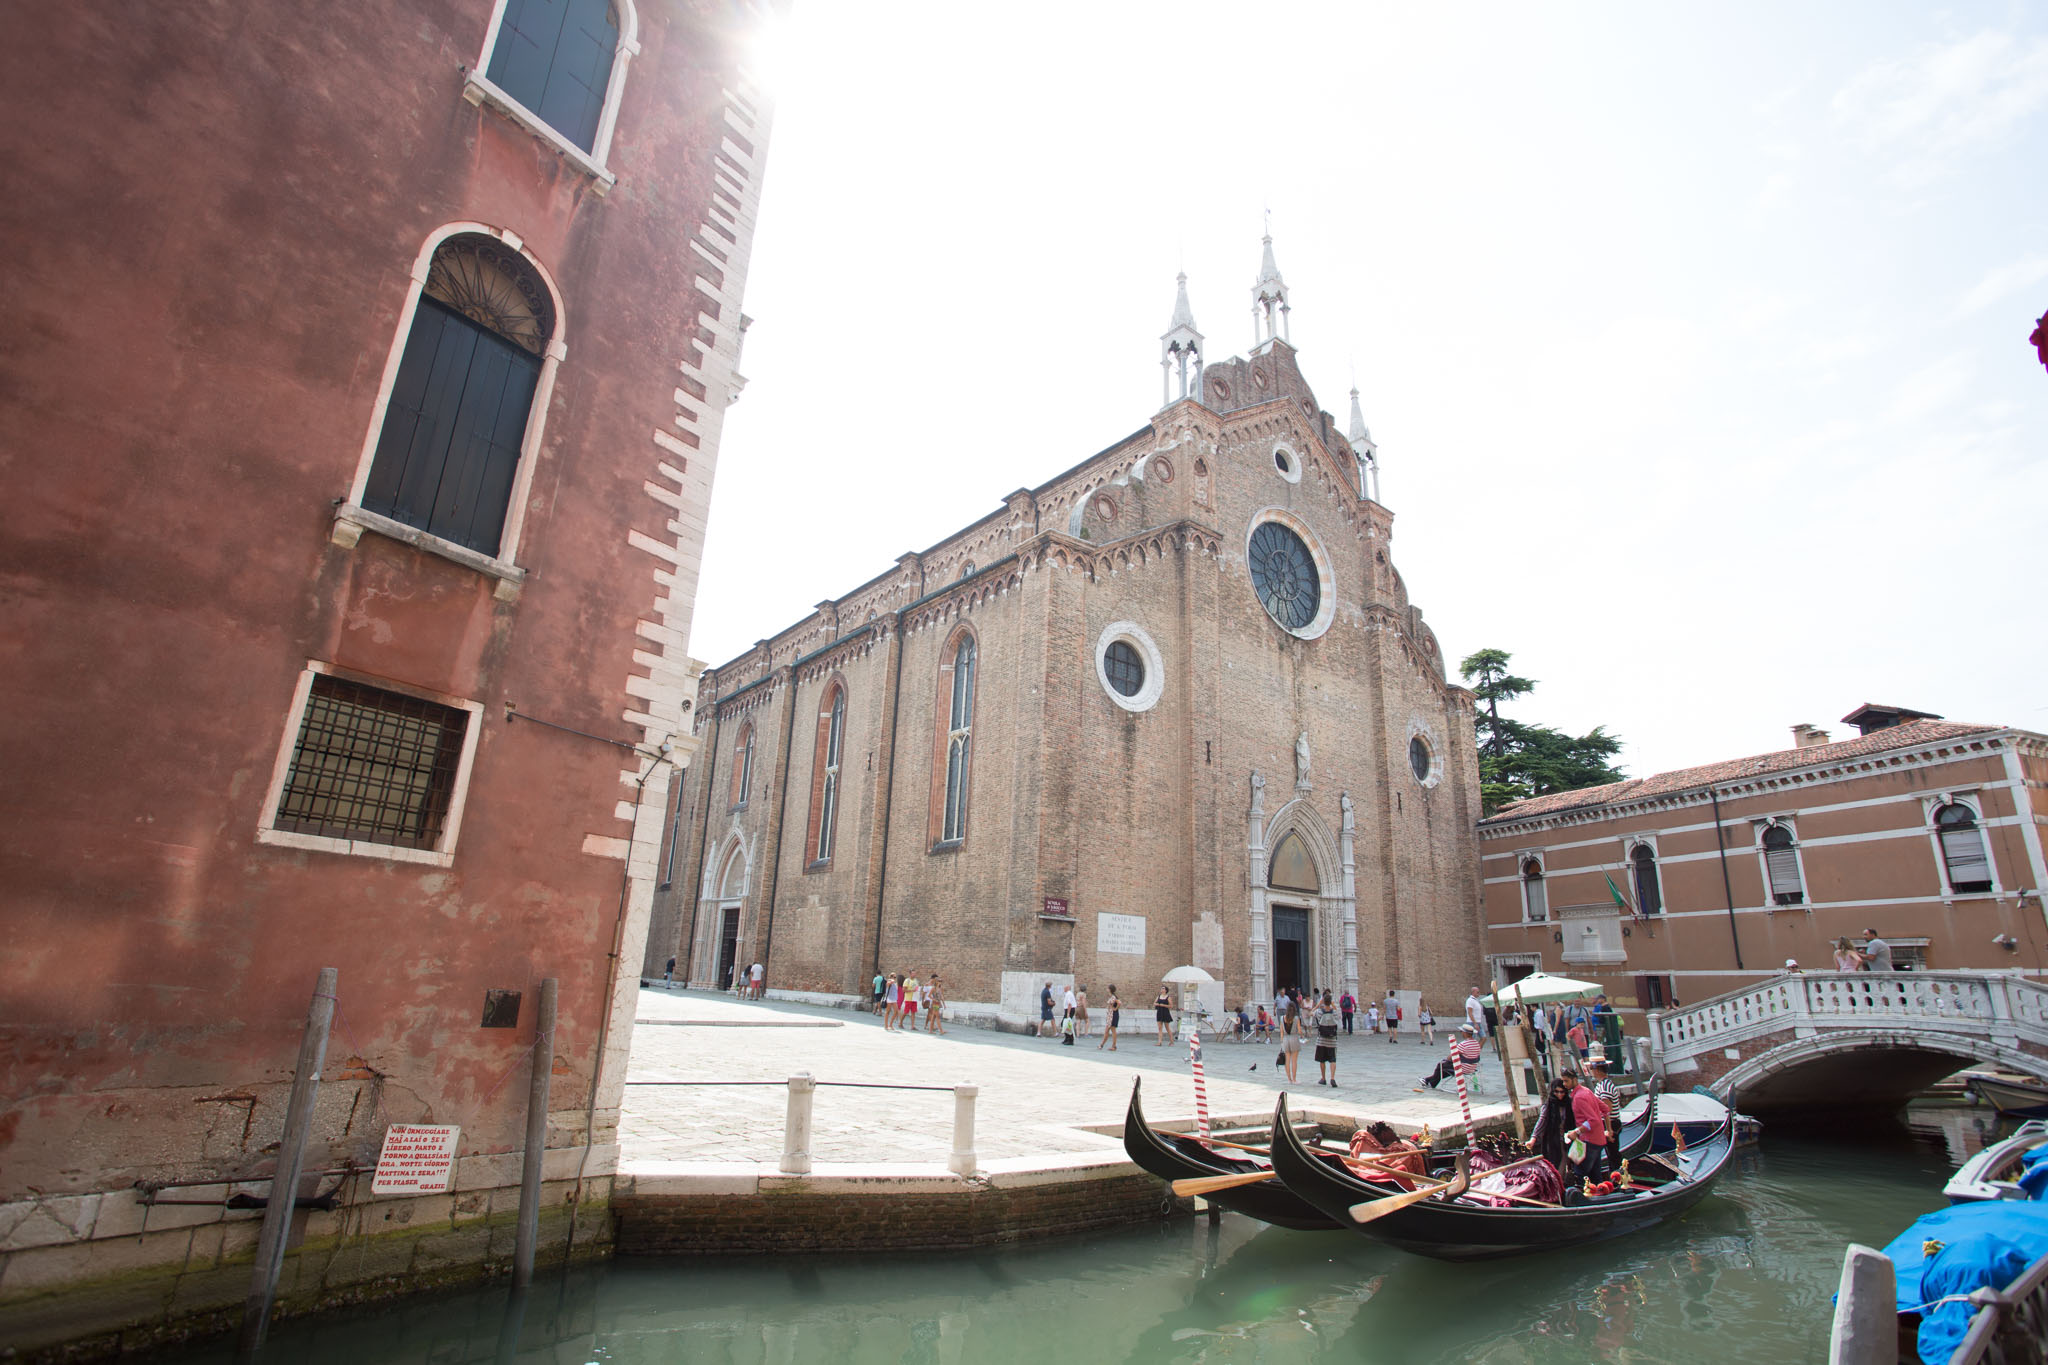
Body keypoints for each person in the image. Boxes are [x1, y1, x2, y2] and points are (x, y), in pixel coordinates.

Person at [1564, 1069, 1609, 1183]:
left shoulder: (1579, 1097)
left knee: (1581, 1174)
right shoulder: (1587, 1091)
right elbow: (1605, 1109)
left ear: (1574, 1080)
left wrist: (1577, 1131)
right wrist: (1608, 1129)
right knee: (1595, 1175)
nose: (1564, 1084)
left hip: (1588, 1141)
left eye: (1566, 1081)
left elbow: (1593, 1120)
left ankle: (1583, 1198)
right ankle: (1600, 1196)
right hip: (1599, 1140)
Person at [1528, 1076, 1575, 1175]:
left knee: (1566, 1162)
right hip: (1553, 1141)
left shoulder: (1569, 1103)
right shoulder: (1549, 1105)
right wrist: (1533, 1138)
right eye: (1556, 1092)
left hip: (1568, 1139)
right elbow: (1542, 1121)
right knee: (1556, 1164)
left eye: (1562, 1092)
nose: (1559, 1095)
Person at [1420, 1024, 1484, 1089]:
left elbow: (1451, 1057)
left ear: (1465, 1033)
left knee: (1441, 1065)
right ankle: (1427, 1080)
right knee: (1445, 1068)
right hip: (1472, 1068)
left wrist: (1447, 1060)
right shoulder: (1477, 1044)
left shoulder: (1463, 1044)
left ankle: (1430, 1083)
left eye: (1461, 1031)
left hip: (1462, 1068)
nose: (1461, 1033)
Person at [1588, 1057, 1621, 1172]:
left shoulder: (1605, 1087)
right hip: (1607, 1125)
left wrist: (1609, 1130)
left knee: (1613, 1155)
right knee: (1611, 1154)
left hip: (1610, 1125)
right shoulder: (1602, 1085)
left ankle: (1617, 1178)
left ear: (1597, 1070)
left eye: (1591, 1068)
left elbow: (1607, 1110)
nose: (1591, 1071)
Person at [1314, 991, 1341, 1086]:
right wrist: (1332, 1004)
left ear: (1323, 1001)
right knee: (1333, 1060)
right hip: (1332, 1040)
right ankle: (1332, 1078)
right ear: (1331, 1001)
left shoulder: (1319, 1012)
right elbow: (1339, 1016)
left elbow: (1312, 1013)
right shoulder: (1335, 1012)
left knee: (1322, 1060)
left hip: (1321, 1040)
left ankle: (1323, 1078)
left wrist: (1319, 1004)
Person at [1281, 997, 1304, 1082]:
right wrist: (1302, 1036)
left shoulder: (1282, 1018)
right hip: (1294, 1038)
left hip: (1285, 1039)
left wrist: (1281, 1041)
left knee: (1287, 1060)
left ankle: (1289, 1079)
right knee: (1294, 1061)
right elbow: (1299, 1030)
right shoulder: (1296, 1018)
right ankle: (1294, 1079)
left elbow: (1281, 1032)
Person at [1098, 985, 1121, 1051]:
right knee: (1106, 1031)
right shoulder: (1112, 996)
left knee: (1113, 1031)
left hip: (1113, 1015)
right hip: (1110, 1016)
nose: (1106, 989)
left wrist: (1115, 1009)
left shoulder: (1113, 997)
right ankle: (1101, 1045)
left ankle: (1114, 1046)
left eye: (1107, 988)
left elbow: (1119, 1003)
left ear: (1110, 989)